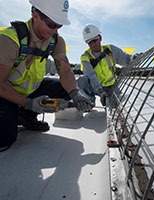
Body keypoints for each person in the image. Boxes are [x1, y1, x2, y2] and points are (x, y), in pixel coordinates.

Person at [0, 0, 93, 151]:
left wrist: (75, 94)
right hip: (5, 92)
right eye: (51, 25)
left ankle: (25, 116)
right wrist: (28, 102)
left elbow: (65, 71)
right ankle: (19, 110)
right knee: (5, 137)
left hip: (30, 89)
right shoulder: (9, 39)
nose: (55, 31)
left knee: (66, 89)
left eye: (59, 26)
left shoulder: (55, 41)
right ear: (35, 15)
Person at [77, 24, 139, 107]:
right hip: (95, 88)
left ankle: (112, 98)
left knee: (115, 106)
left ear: (100, 38)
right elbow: (90, 75)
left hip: (111, 87)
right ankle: (90, 102)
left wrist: (134, 58)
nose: (92, 44)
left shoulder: (110, 50)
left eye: (94, 40)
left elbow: (126, 59)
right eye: (89, 42)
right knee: (82, 80)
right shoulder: (85, 57)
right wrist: (100, 91)